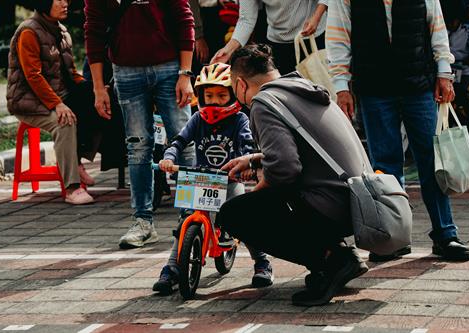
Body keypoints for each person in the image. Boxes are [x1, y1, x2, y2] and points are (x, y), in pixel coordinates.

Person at [217, 44, 370, 306]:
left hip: (333, 206)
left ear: (241, 83)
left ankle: (331, 260)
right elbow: (305, 150)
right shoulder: (302, 89)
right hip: (359, 201)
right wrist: (253, 159)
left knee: (233, 213)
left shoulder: (263, 103)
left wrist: (255, 195)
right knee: (277, 195)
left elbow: (285, 169)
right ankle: (339, 254)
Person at [326, 0, 469, 262]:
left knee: (431, 160)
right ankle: (395, 239)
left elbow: (436, 27)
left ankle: (445, 234)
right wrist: (341, 85)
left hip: (419, 84)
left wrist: (444, 73)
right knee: (385, 164)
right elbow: (338, 36)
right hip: (373, 87)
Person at [152, 63, 273, 295]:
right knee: (184, 222)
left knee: (244, 220)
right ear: (201, 96)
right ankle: (171, 268)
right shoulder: (197, 118)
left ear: (232, 95)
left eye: (220, 95)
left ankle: (262, 262)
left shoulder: (239, 120)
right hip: (200, 180)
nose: (214, 101)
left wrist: (246, 165)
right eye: (209, 95)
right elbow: (179, 141)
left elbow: (247, 145)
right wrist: (168, 157)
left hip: (229, 180)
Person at [84, 0, 196, 249]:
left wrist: (185, 73)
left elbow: (184, 19)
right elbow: (93, 31)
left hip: (170, 67)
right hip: (125, 71)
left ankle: (191, 217)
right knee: (138, 147)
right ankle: (143, 221)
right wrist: (98, 87)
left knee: (184, 142)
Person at [7, 0, 97, 205]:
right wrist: (57, 104)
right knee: (64, 122)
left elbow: (71, 73)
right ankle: (72, 188)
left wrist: (94, 90)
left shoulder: (62, 31)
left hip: (58, 96)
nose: (66, 4)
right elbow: (33, 76)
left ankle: (77, 160)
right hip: (27, 101)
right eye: (60, 0)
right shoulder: (29, 31)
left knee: (99, 105)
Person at [211, 0, 328, 74]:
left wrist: (317, 16)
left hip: (311, 40)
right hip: (276, 44)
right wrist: (228, 50)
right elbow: (246, 19)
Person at [444, 3, 469, 141]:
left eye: (454, 21)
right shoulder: (441, 31)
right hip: (447, 70)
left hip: (465, 70)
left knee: (464, 95)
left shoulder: (467, 31)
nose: (451, 24)